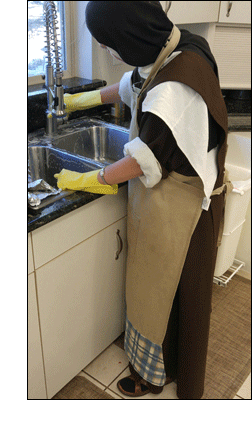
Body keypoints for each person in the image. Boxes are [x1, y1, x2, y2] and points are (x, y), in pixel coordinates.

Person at [56, 1, 229, 399]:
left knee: (163, 293)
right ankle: (159, 367)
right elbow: (135, 82)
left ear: (130, 35)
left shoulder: (175, 91)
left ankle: (157, 375)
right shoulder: (178, 45)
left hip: (182, 210)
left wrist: (89, 179)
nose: (108, 53)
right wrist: (83, 100)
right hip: (181, 197)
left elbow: (140, 161)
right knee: (163, 293)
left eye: (109, 44)